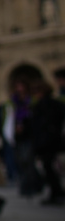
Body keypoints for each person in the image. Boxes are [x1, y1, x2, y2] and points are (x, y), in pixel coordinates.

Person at [29, 77, 65, 206]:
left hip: (47, 142)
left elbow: (40, 126)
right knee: (50, 168)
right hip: (51, 141)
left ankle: (57, 192)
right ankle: (56, 192)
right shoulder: (55, 103)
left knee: (49, 168)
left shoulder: (44, 105)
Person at [0, 98, 18, 184]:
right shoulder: (7, 108)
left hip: (4, 135)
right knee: (9, 155)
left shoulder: (2, 108)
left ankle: (11, 174)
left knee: (7, 155)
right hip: (6, 135)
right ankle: (13, 174)